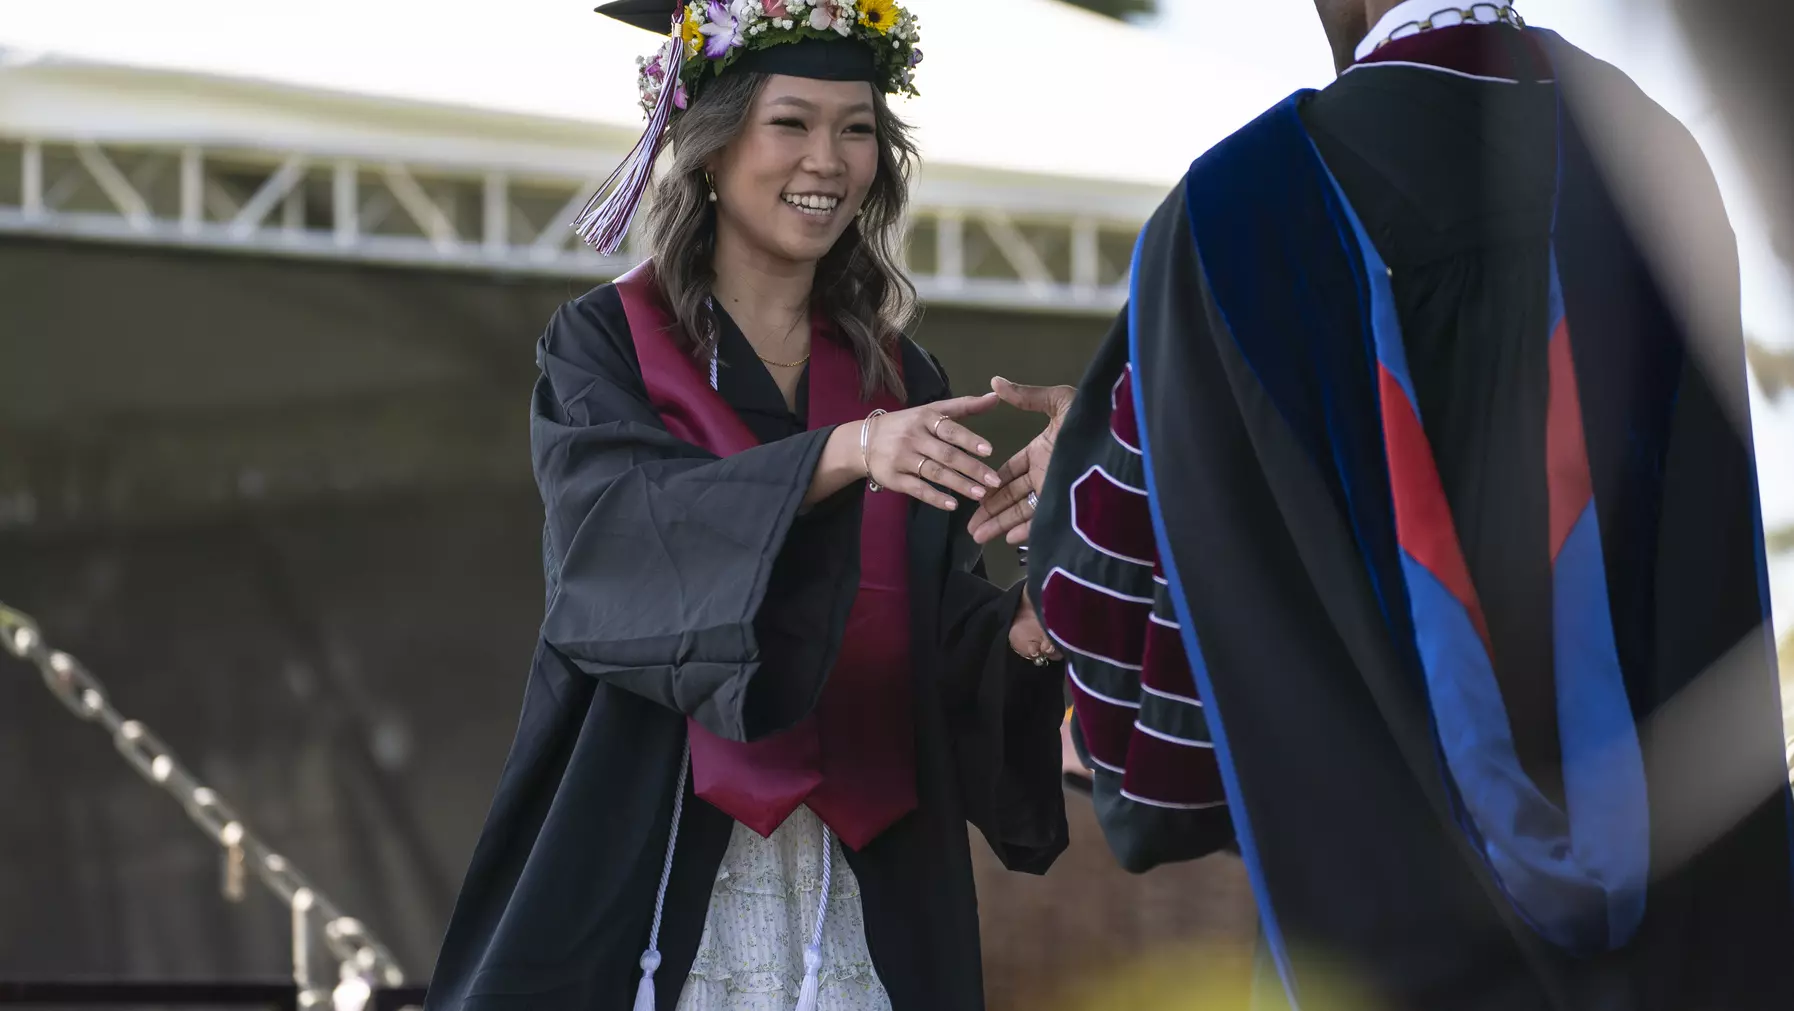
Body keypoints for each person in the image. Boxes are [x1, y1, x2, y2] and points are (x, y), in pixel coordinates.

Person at [970, 2, 1794, 1008]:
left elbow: (1154, 754)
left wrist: (1100, 460)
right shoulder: (1655, 157)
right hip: (1686, 945)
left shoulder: (1234, 215)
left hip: (1367, 956)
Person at [425, 3, 1068, 1009]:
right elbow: (616, 546)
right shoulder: (606, 346)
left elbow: (939, 638)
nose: (829, 160)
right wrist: (846, 454)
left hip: (864, 877)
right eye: (792, 123)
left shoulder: (899, 375)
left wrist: (1032, 629)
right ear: (713, 147)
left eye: (857, 129)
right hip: (652, 848)